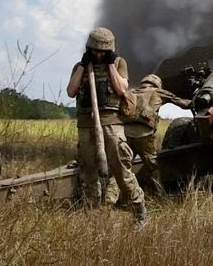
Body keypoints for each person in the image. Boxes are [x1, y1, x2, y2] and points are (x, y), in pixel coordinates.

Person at [66, 27, 146, 225]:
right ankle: (93, 216)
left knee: (121, 170)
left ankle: (139, 210)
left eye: (103, 51)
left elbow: (121, 89)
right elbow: (71, 91)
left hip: (111, 124)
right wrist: (83, 67)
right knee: (88, 172)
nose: (98, 54)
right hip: (86, 125)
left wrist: (110, 65)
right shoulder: (80, 66)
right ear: (89, 49)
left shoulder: (118, 63)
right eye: (95, 51)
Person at [105, 74, 192, 204]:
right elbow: (181, 103)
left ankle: (109, 199)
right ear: (157, 84)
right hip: (144, 135)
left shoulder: (131, 92)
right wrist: (195, 102)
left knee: (121, 169)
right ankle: (161, 198)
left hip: (125, 134)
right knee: (153, 168)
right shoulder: (158, 92)